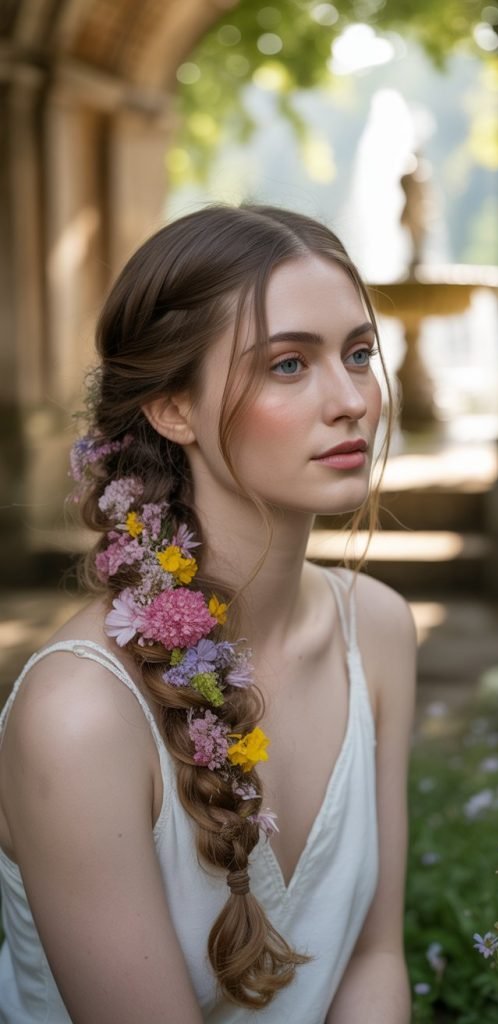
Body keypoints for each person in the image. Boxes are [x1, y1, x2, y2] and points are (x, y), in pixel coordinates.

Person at [0, 204, 417, 1023]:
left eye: (360, 354)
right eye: (288, 365)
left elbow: (373, 961)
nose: (351, 402)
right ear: (173, 408)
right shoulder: (81, 715)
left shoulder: (379, 629)